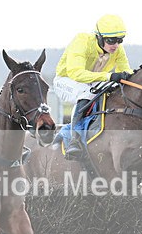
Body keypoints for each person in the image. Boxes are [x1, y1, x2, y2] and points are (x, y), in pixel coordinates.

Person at [52, 14, 134, 160]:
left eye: (119, 40)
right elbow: (76, 73)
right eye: (111, 40)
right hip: (66, 80)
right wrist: (109, 76)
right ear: (99, 37)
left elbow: (127, 72)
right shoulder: (81, 41)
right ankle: (74, 140)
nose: (116, 45)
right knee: (86, 93)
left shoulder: (117, 49)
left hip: (91, 81)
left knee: (113, 92)